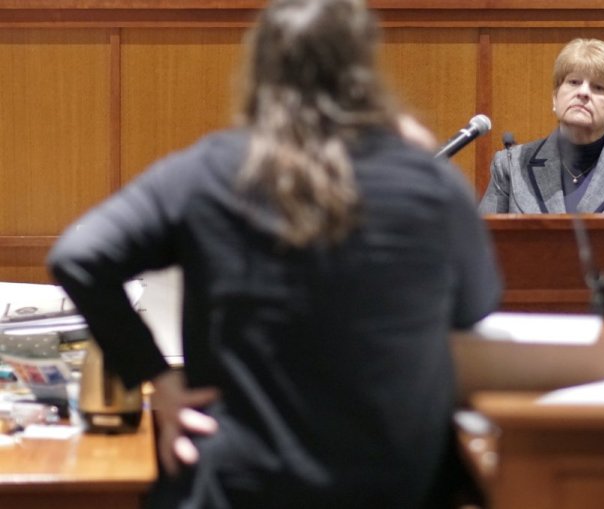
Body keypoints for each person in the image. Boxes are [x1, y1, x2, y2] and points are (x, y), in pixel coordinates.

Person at [47, 0, 501, 508]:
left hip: (241, 483)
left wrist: (157, 377)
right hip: (390, 484)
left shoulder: (207, 172)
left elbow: (80, 255)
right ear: (363, 70)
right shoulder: (430, 183)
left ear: (260, 69)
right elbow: (474, 310)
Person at [478, 38, 604, 214]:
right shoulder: (511, 165)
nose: (583, 93)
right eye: (574, 82)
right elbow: (479, 247)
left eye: (598, 87)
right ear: (555, 98)